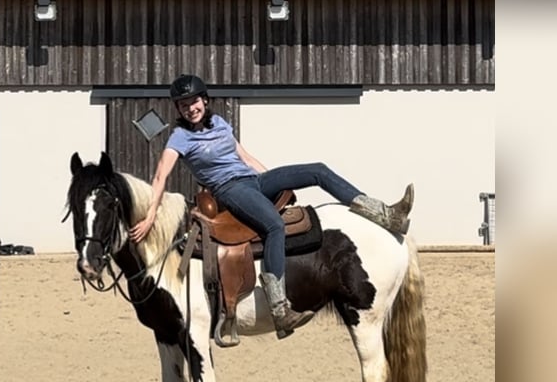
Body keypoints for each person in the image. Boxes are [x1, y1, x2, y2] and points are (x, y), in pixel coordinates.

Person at [130, 74, 414, 339]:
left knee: (318, 170)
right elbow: (160, 176)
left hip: (254, 181)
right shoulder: (180, 138)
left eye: (194, 101)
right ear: (178, 110)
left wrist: (274, 185)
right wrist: (151, 213)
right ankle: (279, 307)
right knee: (274, 226)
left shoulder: (220, 124)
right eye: (183, 105)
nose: (190, 108)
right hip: (229, 190)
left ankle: (385, 215)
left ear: (204, 100)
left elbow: (245, 156)